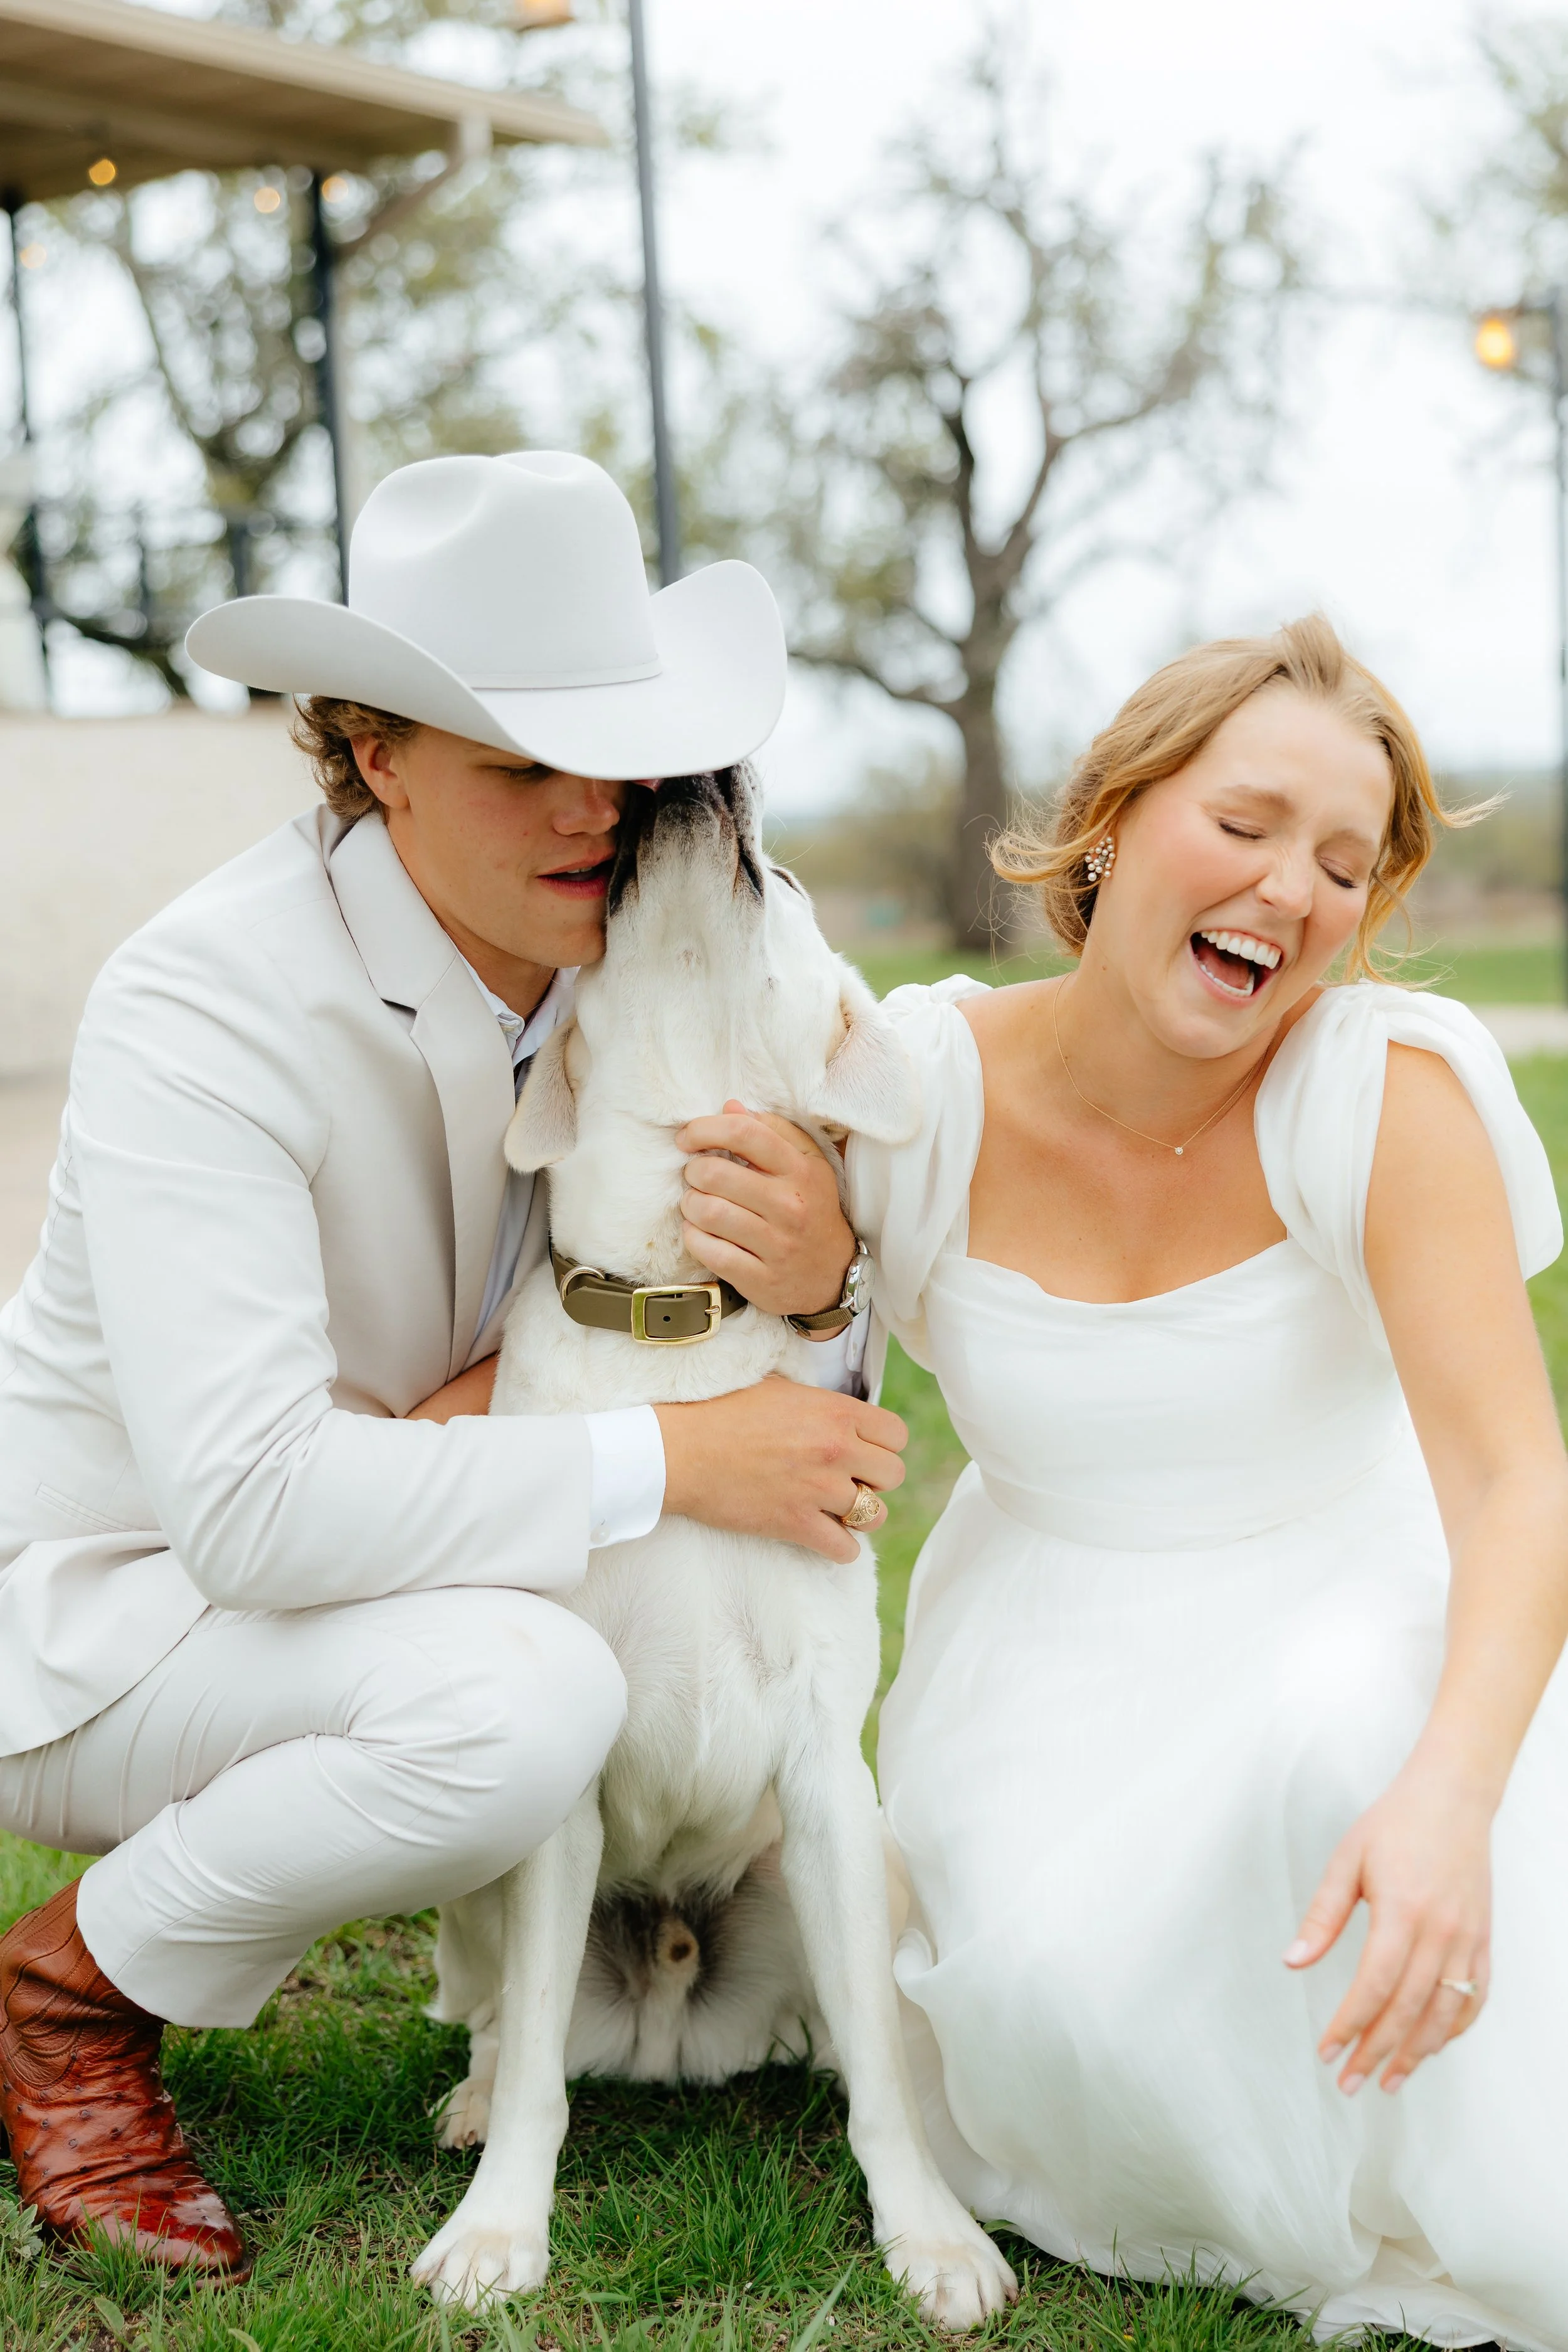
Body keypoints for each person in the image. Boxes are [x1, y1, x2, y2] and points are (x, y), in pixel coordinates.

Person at [0, 450, 905, 2279]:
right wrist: (675, 1458)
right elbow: (254, 1511)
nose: (594, 811)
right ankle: (66, 1993)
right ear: (374, 750)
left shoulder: (606, 936)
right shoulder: (207, 1001)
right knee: (529, 1698)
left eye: (619, 758)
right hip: (127, 1613)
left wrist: (821, 1285)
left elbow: (724, 1329)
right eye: (520, 765)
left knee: (550, 1658)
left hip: (416, 1535)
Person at [848, 615, 1568, 2348]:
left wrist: (1451, 1798)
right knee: (1048, 2006)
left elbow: (1513, 1485)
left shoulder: (1379, 1089)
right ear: (1113, 815)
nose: (1289, 888)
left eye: (1343, 861)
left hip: (1353, 1593)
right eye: (1243, 822)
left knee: (1351, 1755)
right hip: (1045, 1662)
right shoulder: (916, 1083)